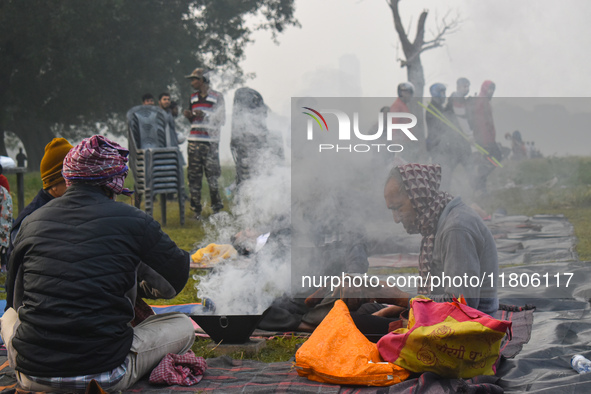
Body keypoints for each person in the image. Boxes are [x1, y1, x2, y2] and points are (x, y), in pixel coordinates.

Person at [1, 135, 194, 393]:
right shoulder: (135, 221)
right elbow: (174, 282)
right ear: (113, 181)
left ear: (68, 176)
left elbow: (16, 299)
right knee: (182, 324)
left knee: (9, 316)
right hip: (107, 373)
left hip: (32, 374)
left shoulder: (31, 221)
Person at [346, 163, 498, 338]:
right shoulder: (439, 221)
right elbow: (439, 295)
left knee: (353, 323)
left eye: (398, 208)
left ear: (419, 198)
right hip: (443, 318)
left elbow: (463, 308)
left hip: (468, 333)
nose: (396, 219)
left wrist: (399, 297)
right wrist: (398, 307)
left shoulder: (455, 229)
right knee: (365, 309)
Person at [4, 138, 73, 287]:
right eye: (70, 181)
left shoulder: (62, 208)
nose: (76, 185)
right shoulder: (30, 221)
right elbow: (15, 272)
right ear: (54, 184)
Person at [183, 68, 226, 220]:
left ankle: (217, 210)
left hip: (210, 143)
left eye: (194, 79)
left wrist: (206, 114)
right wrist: (189, 115)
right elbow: (193, 119)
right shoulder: (193, 97)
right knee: (194, 177)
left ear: (202, 80)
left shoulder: (217, 97)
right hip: (194, 141)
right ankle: (196, 211)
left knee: (213, 177)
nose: (192, 82)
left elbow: (222, 120)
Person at [425, 83, 471, 192]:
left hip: (443, 147)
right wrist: (450, 106)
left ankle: (444, 197)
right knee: (442, 177)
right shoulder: (432, 109)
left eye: (445, 92)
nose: (444, 95)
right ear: (436, 93)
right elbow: (442, 123)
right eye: (442, 92)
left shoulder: (439, 107)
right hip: (437, 148)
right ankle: (440, 199)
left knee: (446, 176)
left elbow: (448, 117)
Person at [230, 87, 269, 187]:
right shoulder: (243, 114)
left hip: (253, 147)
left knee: (255, 174)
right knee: (244, 175)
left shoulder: (257, 112)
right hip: (244, 147)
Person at [470, 80, 502, 195]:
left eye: (493, 89)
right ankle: (478, 183)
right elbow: (481, 123)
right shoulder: (481, 101)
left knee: (486, 162)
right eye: (489, 88)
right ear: (484, 88)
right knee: (496, 157)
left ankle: (480, 186)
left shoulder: (485, 101)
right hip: (484, 139)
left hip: (487, 138)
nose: (491, 91)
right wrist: (485, 141)